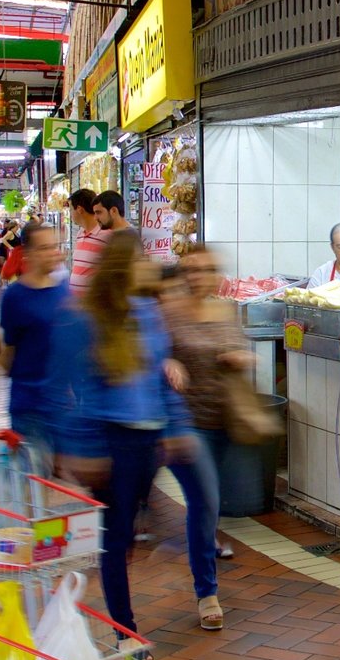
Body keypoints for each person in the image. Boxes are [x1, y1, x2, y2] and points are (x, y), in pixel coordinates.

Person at [53, 230, 220, 637]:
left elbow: (160, 377)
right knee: (117, 539)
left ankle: (196, 590)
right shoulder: (88, 319)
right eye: (141, 257)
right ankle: (123, 630)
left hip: (149, 440)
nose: (149, 263)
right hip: (112, 442)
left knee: (151, 523)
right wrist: (82, 450)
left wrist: (176, 428)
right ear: (122, 266)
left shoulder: (147, 312)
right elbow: (73, 391)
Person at [166, 243, 254, 572]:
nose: (196, 277)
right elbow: (155, 350)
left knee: (206, 499)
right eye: (189, 270)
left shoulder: (225, 310)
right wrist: (169, 360)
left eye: (204, 270)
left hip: (223, 420)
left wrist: (241, 356)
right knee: (205, 499)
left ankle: (204, 538)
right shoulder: (169, 311)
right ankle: (207, 590)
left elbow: (237, 345)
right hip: (185, 422)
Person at [0, 223, 69, 469]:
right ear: (27, 254)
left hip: (62, 405)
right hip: (29, 405)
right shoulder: (15, 297)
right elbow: (8, 353)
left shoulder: (65, 291)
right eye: (45, 248)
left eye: (55, 247)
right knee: (34, 480)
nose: (53, 253)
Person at [69, 191, 126, 295]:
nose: (70, 214)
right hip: (78, 304)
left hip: (94, 305)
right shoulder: (80, 234)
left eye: (70, 210)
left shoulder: (107, 235)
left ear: (79, 209)